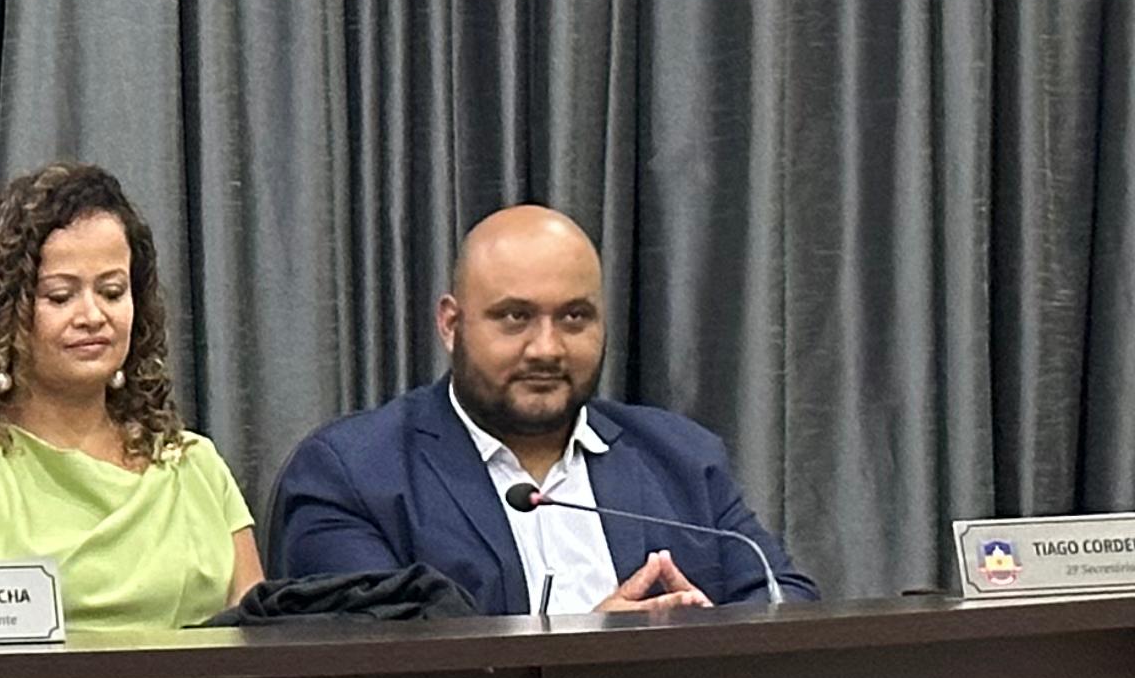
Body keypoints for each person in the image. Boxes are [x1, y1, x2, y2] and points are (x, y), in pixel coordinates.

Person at [270, 205, 816, 616]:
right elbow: (375, 673)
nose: (548, 349)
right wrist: (589, 652)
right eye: (514, 318)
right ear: (451, 324)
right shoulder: (351, 474)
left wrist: (701, 636)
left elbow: (784, 600)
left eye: (575, 318)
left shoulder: (682, 457)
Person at [0, 160, 260, 630]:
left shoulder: (196, 468)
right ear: (4, 314)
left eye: (112, 292)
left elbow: (256, 647)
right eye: (60, 296)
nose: (92, 315)